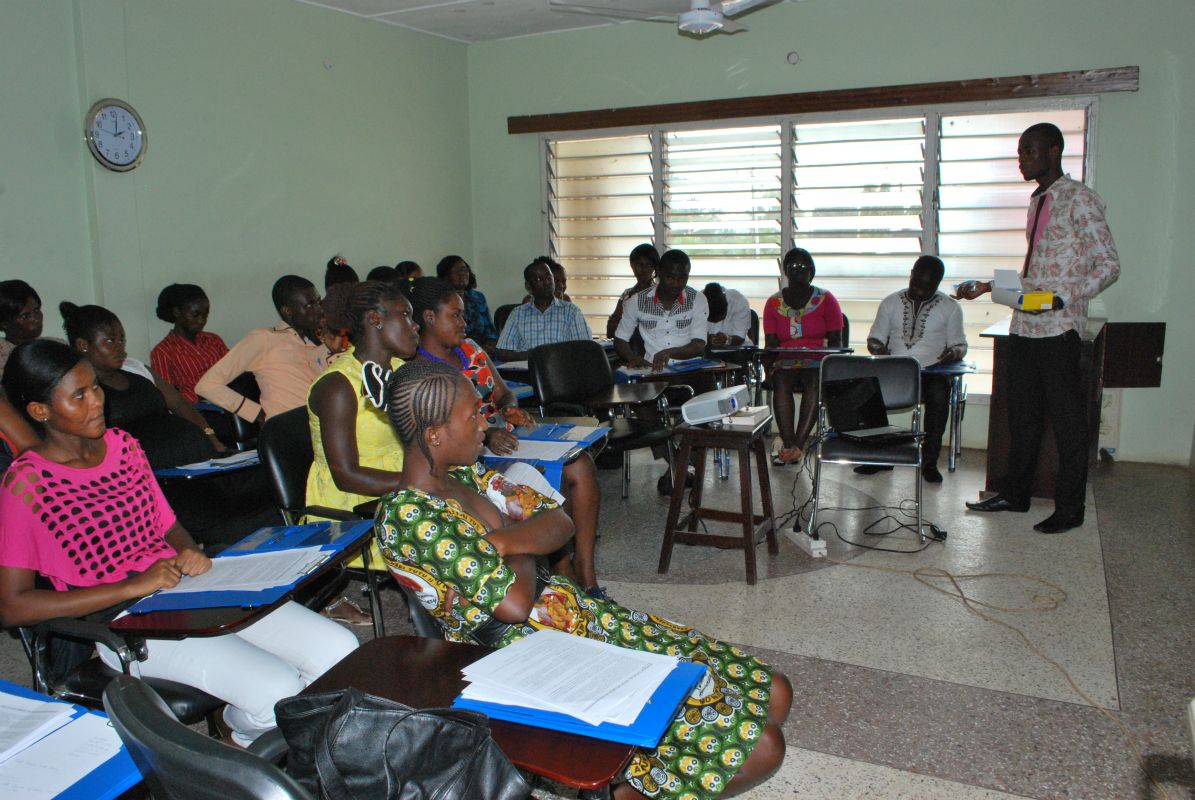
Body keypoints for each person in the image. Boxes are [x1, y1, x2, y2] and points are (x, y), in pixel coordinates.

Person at [371, 359, 792, 800]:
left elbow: (561, 521)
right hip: (524, 654)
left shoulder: (466, 474)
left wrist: (503, 543)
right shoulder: (406, 514)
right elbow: (514, 604)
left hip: (572, 614)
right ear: (434, 435)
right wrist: (519, 533)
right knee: (765, 748)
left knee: (776, 692)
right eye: (472, 414)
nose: (485, 423)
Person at [0, 339, 358, 747]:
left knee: (339, 648)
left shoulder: (123, 446)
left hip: (185, 590)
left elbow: (167, 525)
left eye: (95, 387)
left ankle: (249, 726)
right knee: (277, 689)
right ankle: (240, 737)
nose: (97, 401)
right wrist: (133, 586)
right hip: (122, 622)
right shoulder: (27, 484)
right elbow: (13, 607)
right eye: (78, 396)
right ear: (40, 411)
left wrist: (188, 549)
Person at [956, 123, 1119, 534]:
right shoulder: (1037, 201)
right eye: (1020, 152)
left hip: (1058, 330)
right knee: (1022, 419)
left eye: (1029, 151)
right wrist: (990, 286)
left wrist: (1064, 296)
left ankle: (1070, 509)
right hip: (1024, 327)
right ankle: (1016, 495)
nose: (1022, 160)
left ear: (1054, 151)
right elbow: (1036, 274)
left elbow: (1108, 265)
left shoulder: (1079, 199)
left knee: (1067, 424)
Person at [410, 277, 604, 595]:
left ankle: (586, 572)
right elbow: (440, 434)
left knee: (580, 464)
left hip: (509, 439)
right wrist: (487, 435)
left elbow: (503, 393)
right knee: (556, 475)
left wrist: (509, 409)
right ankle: (561, 570)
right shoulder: (421, 372)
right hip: (472, 456)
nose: (464, 322)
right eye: (455, 315)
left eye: (463, 315)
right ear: (430, 317)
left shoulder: (471, 349)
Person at [305, 280, 420, 575]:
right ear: (375, 319)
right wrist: (422, 481)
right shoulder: (338, 386)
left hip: (401, 484)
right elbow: (347, 476)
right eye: (405, 315)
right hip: (356, 505)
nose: (415, 325)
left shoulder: (400, 370)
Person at [63, 302, 226, 468]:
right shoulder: (77, 389)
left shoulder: (136, 368)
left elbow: (179, 403)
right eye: (110, 341)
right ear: (83, 345)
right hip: (148, 467)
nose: (120, 348)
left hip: (194, 449)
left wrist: (211, 436)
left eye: (122, 340)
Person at [863, 255, 967, 483]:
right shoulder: (890, 302)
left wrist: (953, 353)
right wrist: (878, 349)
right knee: (867, 387)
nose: (919, 292)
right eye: (916, 285)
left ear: (937, 284)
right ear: (911, 275)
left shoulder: (950, 308)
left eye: (926, 289)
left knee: (939, 393)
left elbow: (960, 345)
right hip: (895, 369)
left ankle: (929, 461)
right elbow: (874, 338)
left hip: (931, 371)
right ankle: (878, 456)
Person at [196, 275, 330, 424]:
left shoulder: (319, 341)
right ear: (288, 311)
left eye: (319, 302)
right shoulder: (263, 339)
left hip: (323, 424)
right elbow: (207, 385)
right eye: (310, 306)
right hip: (289, 427)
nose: (319, 310)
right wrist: (257, 413)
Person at [764, 248, 844, 465]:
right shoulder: (773, 303)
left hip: (817, 359)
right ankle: (788, 444)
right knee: (781, 382)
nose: (798, 270)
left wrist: (832, 366)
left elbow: (836, 339)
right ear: (785, 271)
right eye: (793, 266)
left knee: (814, 383)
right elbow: (771, 343)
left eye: (803, 266)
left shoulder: (826, 299)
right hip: (785, 359)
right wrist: (768, 369)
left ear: (812, 271)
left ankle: (797, 446)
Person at [614, 249, 708, 372]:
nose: (676, 284)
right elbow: (620, 338)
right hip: (652, 369)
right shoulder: (637, 301)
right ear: (659, 272)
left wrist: (669, 352)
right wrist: (632, 358)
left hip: (689, 369)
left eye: (682, 278)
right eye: (670, 277)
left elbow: (699, 344)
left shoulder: (697, 299)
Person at [496, 260, 592, 362]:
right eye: (539, 279)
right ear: (528, 286)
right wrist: (531, 355)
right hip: (527, 369)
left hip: (562, 369)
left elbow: (586, 350)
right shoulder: (517, 314)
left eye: (549, 278)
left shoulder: (571, 312)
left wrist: (555, 356)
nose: (546, 283)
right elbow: (503, 352)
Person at [150, 284, 230, 405]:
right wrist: (205, 393)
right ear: (177, 312)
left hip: (231, 399)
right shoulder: (163, 352)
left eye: (205, 315)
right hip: (199, 409)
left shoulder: (213, 340)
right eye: (195, 315)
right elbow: (169, 397)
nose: (202, 321)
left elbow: (234, 370)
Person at [436, 255, 497, 352]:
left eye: (465, 270)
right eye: (457, 271)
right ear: (446, 276)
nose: (463, 274)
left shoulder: (478, 298)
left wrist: (489, 345)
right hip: (454, 352)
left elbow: (490, 332)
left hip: (482, 351)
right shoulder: (441, 300)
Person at [606, 243, 658, 340]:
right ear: (632, 265)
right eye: (639, 264)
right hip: (625, 344)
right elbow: (611, 331)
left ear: (654, 267)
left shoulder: (659, 294)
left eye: (649, 265)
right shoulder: (627, 294)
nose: (644, 269)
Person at [703, 282, 752, 347]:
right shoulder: (696, 303)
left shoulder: (739, 301)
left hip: (737, 348)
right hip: (705, 349)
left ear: (726, 305)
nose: (716, 322)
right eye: (711, 319)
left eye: (719, 318)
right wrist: (707, 339)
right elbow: (693, 335)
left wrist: (728, 339)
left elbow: (740, 336)